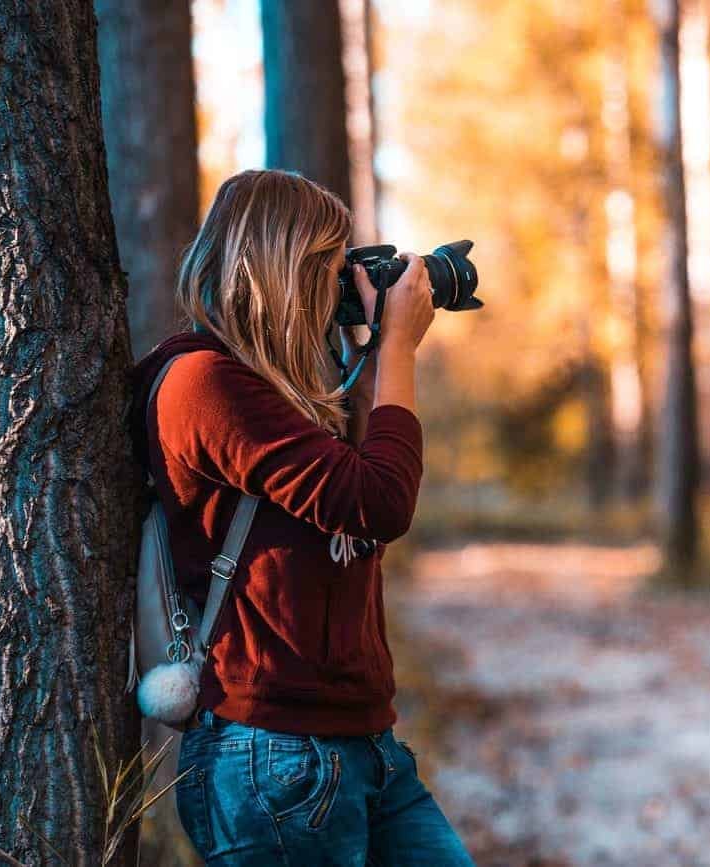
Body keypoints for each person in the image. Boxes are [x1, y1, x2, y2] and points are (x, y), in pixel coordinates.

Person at [129, 169, 475, 865]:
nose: (340, 279)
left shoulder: (280, 391)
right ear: (285, 268)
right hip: (273, 755)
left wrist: (367, 355)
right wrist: (400, 348)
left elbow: (351, 492)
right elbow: (379, 503)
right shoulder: (206, 383)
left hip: (361, 746)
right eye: (329, 262)